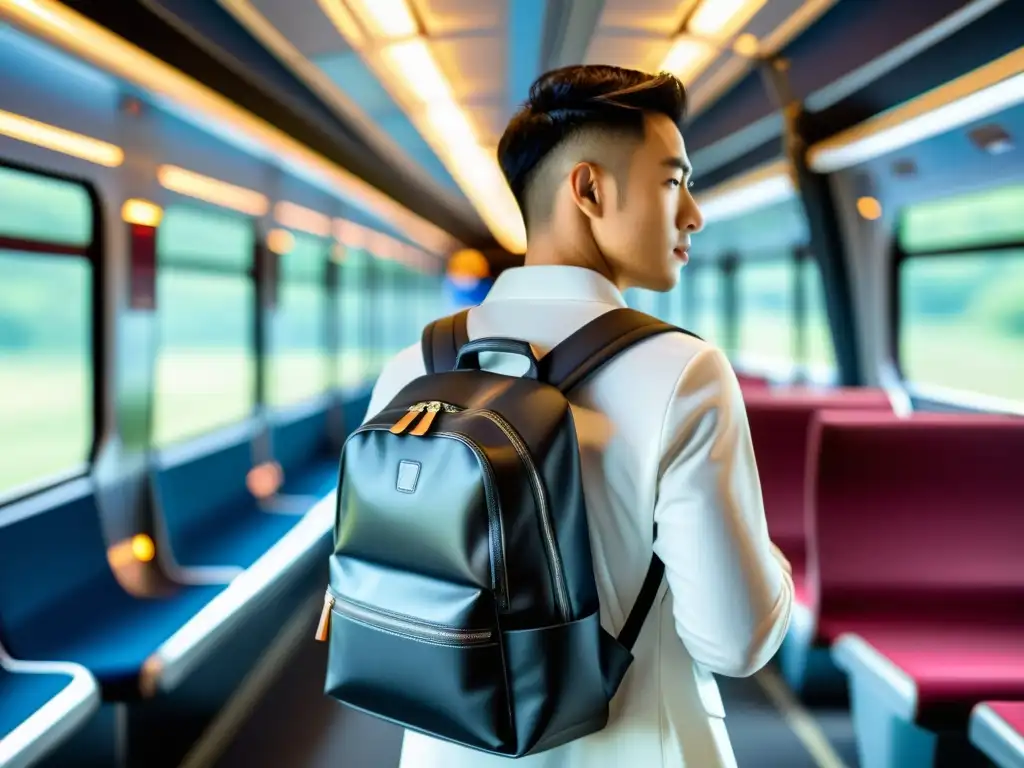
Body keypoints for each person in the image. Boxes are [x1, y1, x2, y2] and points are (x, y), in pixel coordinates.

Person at [362, 64, 794, 768]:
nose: (694, 213)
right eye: (672, 181)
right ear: (589, 190)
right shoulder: (686, 372)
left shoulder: (413, 367)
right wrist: (771, 560)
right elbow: (735, 641)